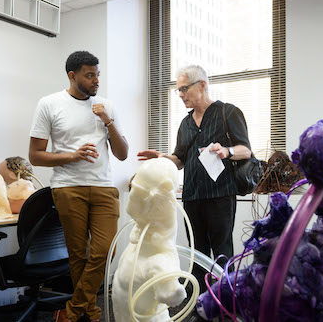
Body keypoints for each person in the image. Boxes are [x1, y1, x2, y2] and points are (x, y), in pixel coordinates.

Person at [29, 51, 128, 322]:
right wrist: (73, 155)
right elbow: (35, 155)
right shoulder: (49, 104)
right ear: (72, 76)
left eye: (97, 74)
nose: (96, 80)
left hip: (104, 188)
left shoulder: (105, 106)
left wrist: (108, 121)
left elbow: (122, 154)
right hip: (67, 187)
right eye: (90, 75)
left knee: (106, 250)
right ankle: (91, 310)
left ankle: (71, 312)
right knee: (78, 255)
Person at [138, 64, 251, 287]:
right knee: (196, 252)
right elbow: (179, 160)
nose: (180, 95)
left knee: (221, 252)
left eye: (184, 89)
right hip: (191, 196)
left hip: (220, 195)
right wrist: (161, 157)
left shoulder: (228, 112)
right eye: (178, 90)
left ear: (202, 85)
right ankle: (200, 304)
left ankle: (224, 302)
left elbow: (245, 150)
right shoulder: (186, 123)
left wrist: (227, 151)